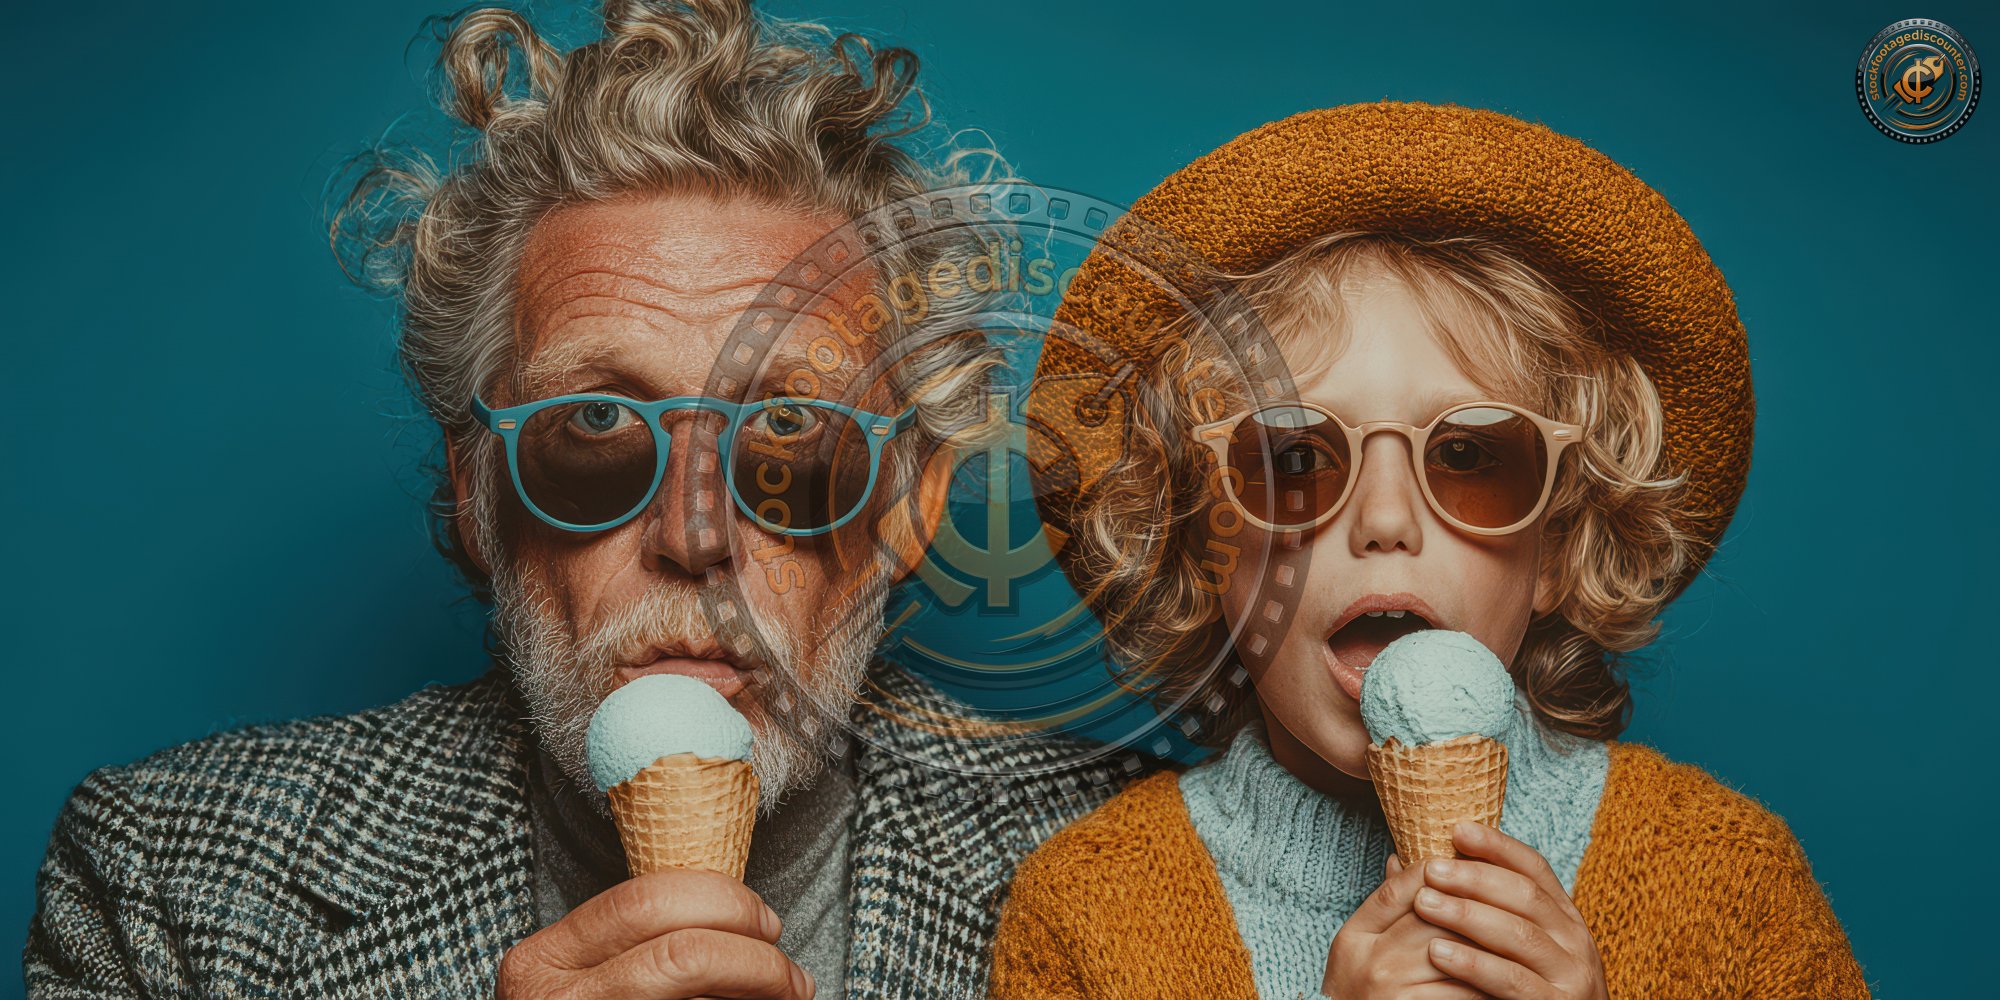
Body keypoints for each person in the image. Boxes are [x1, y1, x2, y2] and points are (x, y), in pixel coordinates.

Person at [24, 3, 1144, 998]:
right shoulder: (172, 882)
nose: (695, 536)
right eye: (595, 428)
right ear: (477, 495)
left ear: (907, 508)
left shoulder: (1141, 869)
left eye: (790, 435)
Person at [992, 102, 1871, 998]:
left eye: (1467, 455)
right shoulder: (1088, 909)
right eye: (1292, 457)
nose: (1385, 519)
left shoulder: (1729, 882)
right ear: (1200, 545)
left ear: (1560, 545)